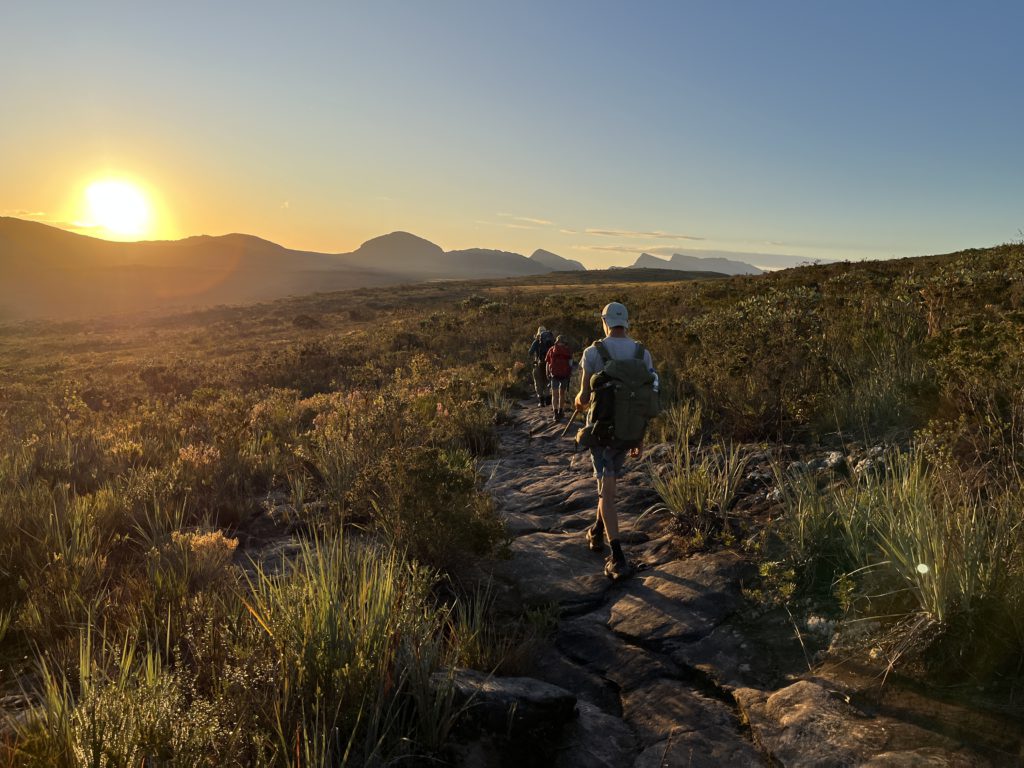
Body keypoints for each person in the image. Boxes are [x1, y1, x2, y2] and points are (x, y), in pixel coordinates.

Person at [574, 302, 658, 580]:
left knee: (606, 494)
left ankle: (618, 557)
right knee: (606, 485)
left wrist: (578, 401)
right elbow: (646, 401)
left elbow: (585, 397)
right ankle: (597, 532)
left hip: (602, 434)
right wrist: (639, 438)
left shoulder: (593, 352)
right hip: (628, 433)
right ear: (626, 323)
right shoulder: (642, 353)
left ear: (605, 322)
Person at [545, 335, 574, 421]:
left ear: (556, 341)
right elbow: (570, 364)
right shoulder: (567, 350)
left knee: (554, 394)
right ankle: (561, 411)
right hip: (564, 375)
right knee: (562, 393)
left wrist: (547, 372)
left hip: (554, 375)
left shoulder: (551, 349)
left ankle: (555, 413)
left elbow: (547, 362)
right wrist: (569, 373)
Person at [528, 326, 555, 407]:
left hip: (539, 364)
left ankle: (541, 401)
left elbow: (530, 352)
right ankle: (548, 399)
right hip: (549, 364)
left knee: (538, 382)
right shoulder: (550, 340)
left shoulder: (536, 342)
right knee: (547, 381)